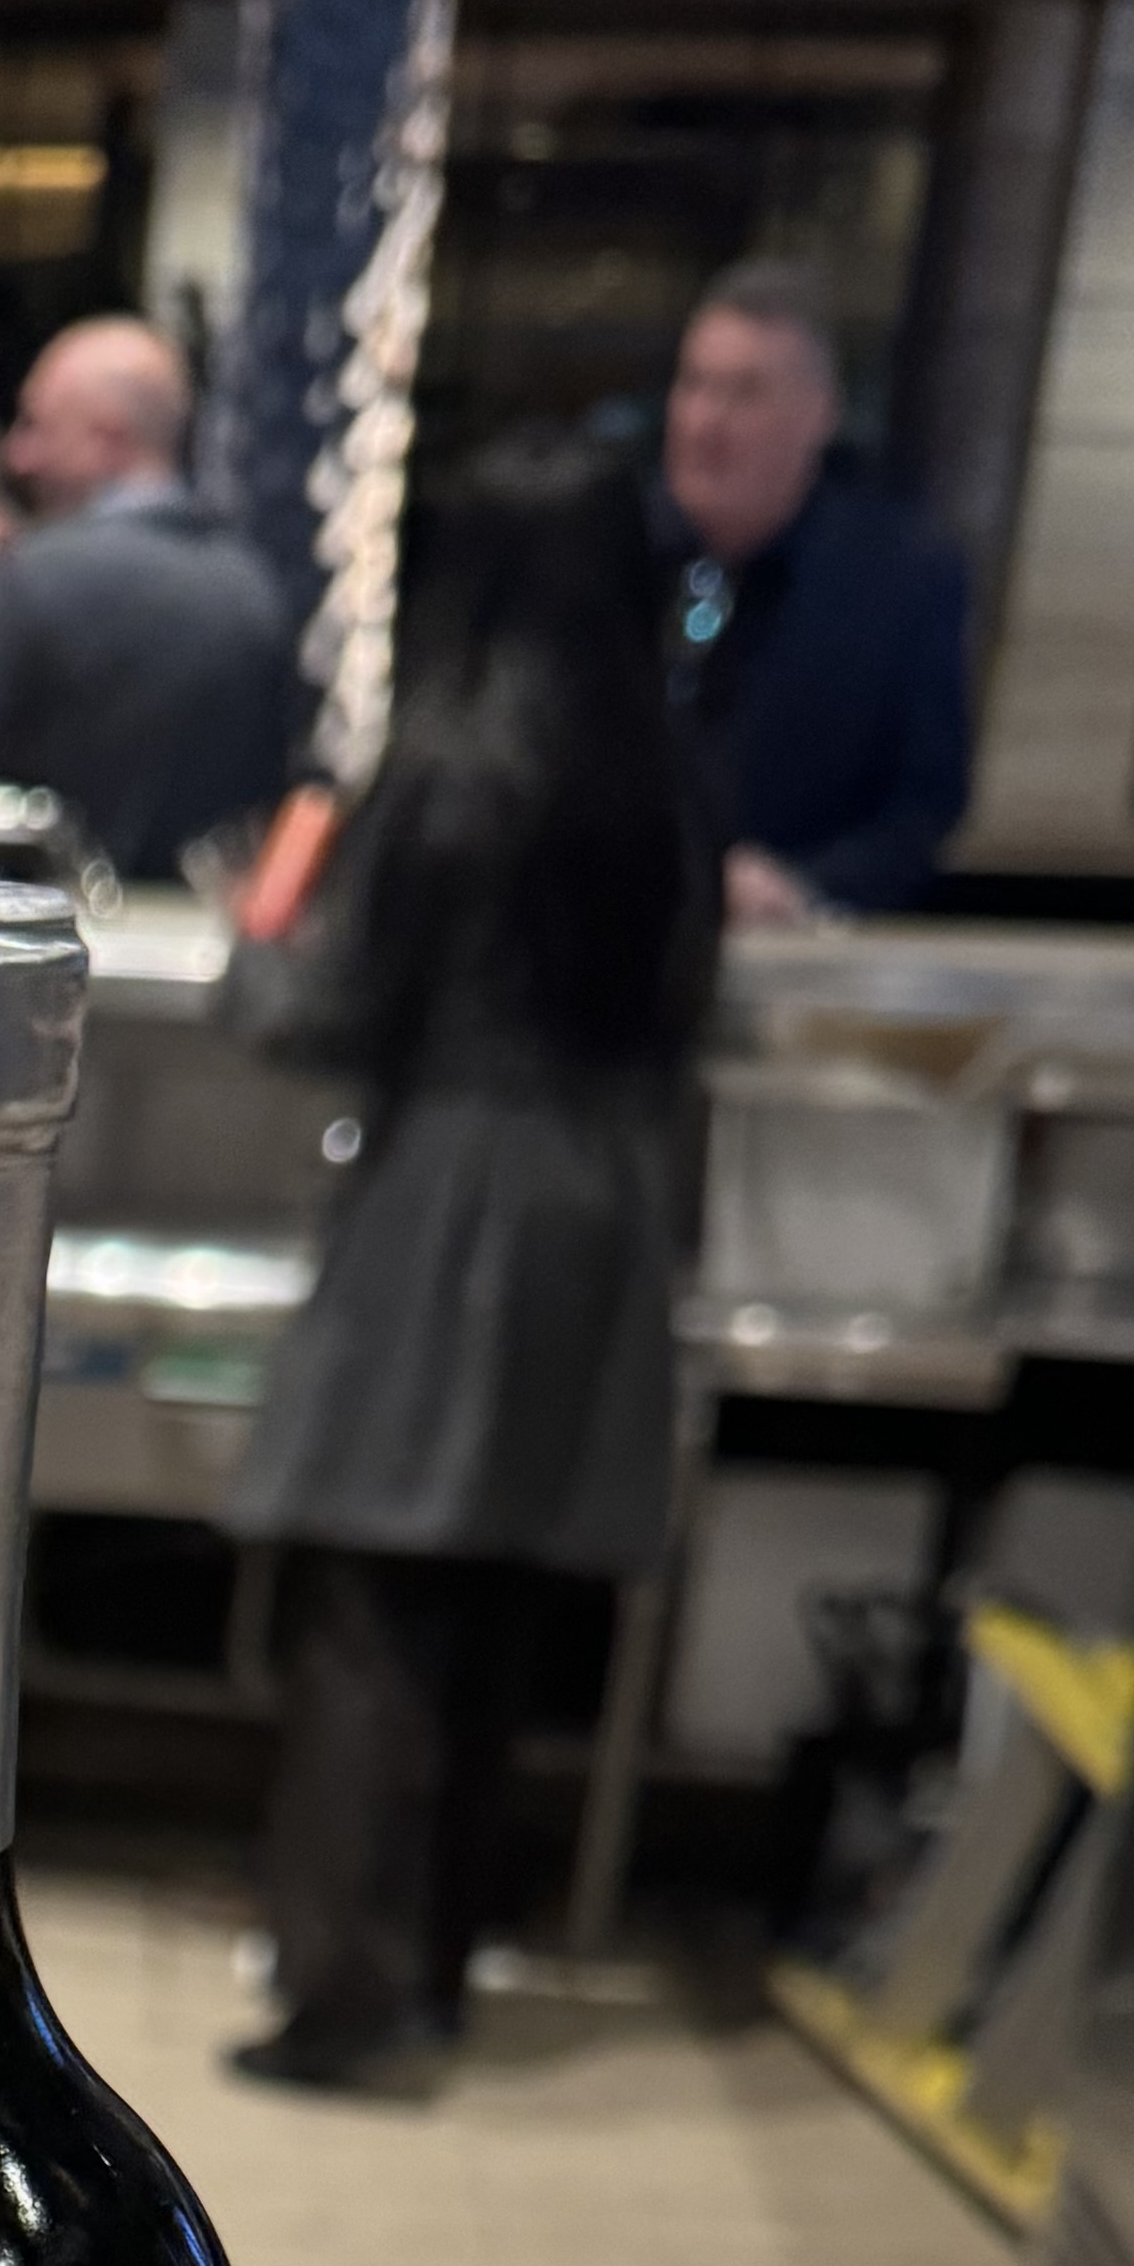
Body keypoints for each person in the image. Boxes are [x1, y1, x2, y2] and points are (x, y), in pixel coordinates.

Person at [217, 429, 718, 2096]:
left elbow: (329, 1015)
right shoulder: (667, 782)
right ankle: (436, 1964)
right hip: (608, 1202)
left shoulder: (444, 768)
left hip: (451, 1195)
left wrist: (253, 944)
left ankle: (341, 2000)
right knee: (497, 1605)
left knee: (372, 1600)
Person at [0, 315, 299, 887]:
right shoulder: (254, 591)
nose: (18, 455)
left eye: (36, 427)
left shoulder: (32, 576)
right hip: (199, 925)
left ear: (107, 437)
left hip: (50, 916)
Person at [657, 265, 970, 920]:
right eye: (695, 384)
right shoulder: (610, 556)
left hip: (787, 941)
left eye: (744, 394)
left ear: (819, 416)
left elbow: (923, 808)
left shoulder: (902, 581)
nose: (705, 421)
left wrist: (800, 889)